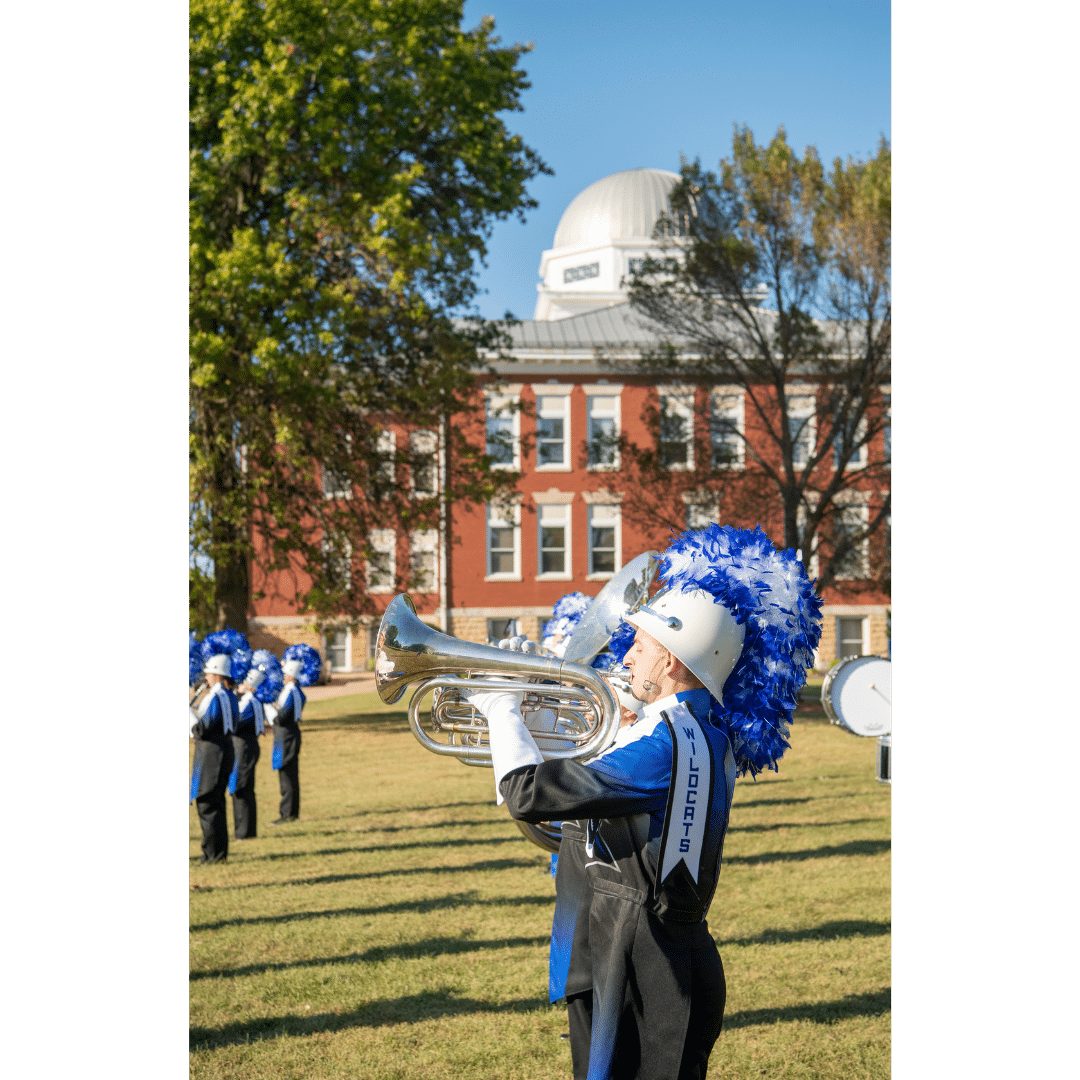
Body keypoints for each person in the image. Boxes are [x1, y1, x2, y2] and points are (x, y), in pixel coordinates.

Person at [467, 524, 821, 1080]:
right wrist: (541, 729)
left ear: (674, 662)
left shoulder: (666, 744)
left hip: (638, 960)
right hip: (620, 944)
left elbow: (528, 795)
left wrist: (501, 709)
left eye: (642, 644)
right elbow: (570, 827)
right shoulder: (675, 730)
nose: (627, 654)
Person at [189, 653, 240, 864]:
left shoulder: (216, 697)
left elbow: (201, 729)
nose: (206, 677)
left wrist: (189, 716)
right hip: (222, 750)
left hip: (212, 753)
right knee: (215, 802)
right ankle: (217, 852)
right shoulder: (230, 696)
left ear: (218, 675)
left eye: (209, 673)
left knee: (208, 802)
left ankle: (213, 854)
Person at [229, 667, 267, 839]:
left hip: (244, 747)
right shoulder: (253, 700)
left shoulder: (249, 701)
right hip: (247, 745)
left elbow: (235, 724)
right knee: (245, 788)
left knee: (241, 788)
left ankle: (244, 832)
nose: (240, 686)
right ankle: (246, 830)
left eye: (244, 682)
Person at [270, 656, 306, 823]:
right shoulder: (297, 691)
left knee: (287, 776)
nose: (283, 677)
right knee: (290, 775)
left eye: (285, 674)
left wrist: (270, 710)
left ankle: (287, 813)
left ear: (291, 675)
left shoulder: (290, 692)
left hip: (286, 736)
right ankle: (291, 812)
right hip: (290, 734)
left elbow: (282, 717)